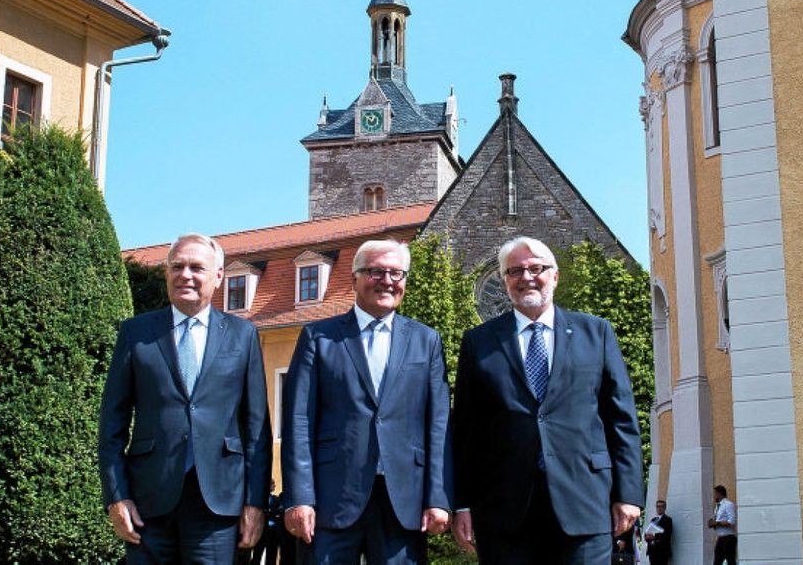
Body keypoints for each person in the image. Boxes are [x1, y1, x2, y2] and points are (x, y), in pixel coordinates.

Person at [451, 236, 644, 564]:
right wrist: (463, 503)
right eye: (514, 271)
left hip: (585, 502)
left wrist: (627, 494)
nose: (526, 277)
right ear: (504, 281)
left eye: (536, 268)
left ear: (554, 275)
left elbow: (621, 418)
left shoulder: (596, 333)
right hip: (504, 510)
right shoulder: (478, 342)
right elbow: (466, 430)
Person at [98, 233, 272, 564]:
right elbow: (111, 425)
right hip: (148, 503)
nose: (185, 275)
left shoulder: (243, 335)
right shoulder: (136, 333)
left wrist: (255, 503)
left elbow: (257, 429)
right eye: (176, 266)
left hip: (218, 505)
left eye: (196, 267)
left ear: (218, 276)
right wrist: (116, 497)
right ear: (166, 273)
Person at [281, 239, 451, 563]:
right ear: (354, 278)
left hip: (404, 501)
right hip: (330, 499)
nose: (387, 281)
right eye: (376, 272)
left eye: (397, 274)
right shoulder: (318, 338)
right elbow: (298, 421)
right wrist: (299, 497)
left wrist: (438, 496)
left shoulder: (426, 340)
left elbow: (438, 423)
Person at [709, 485, 737, 565]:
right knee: (717, 562)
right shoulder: (717, 507)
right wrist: (712, 524)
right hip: (720, 538)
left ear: (719, 493)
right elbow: (719, 521)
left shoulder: (728, 504)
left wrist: (717, 523)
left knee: (730, 561)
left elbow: (731, 521)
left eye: (714, 493)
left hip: (729, 538)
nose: (714, 496)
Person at [644, 499, 673, 565]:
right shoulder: (653, 519)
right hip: (652, 551)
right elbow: (648, 531)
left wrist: (654, 537)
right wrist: (646, 537)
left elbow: (667, 535)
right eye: (658, 506)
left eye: (661, 506)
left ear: (665, 508)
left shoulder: (668, 520)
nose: (659, 508)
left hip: (662, 551)